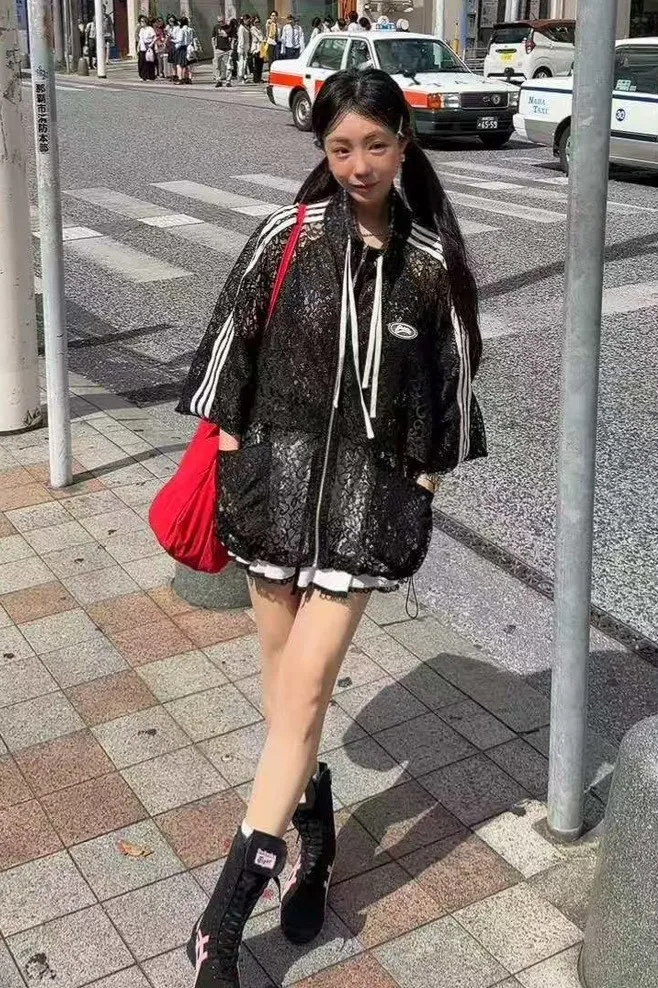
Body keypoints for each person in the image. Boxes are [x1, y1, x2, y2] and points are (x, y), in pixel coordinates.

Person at [177, 66, 485, 988]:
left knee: (304, 695)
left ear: (404, 145)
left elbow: (452, 385)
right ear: (323, 148)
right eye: (341, 147)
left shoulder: (427, 264)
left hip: (360, 514)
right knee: (288, 703)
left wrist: (419, 485)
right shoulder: (287, 236)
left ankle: (219, 927)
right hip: (271, 498)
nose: (358, 165)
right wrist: (235, 457)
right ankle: (315, 840)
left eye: (376, 145)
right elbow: (228, 351)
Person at [172, 15, 194, 84]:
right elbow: (192, 39)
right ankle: (188, 78)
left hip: (181, 48)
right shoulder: (191, 30)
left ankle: (180, 79)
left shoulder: (181, 30)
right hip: (189, 47)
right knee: (187, 64)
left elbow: (180, 40)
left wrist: (172, 40)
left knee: (179, 65)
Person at [212, 16, 231, 87]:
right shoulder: (216, 27)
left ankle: (228, 81)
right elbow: (213, 38)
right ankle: (218, 80)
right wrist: (214, 48)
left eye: (222, 21)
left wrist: (231, 49)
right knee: (217, 66)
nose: (220, 23)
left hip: (227, 49)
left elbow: (232, 37)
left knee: (228, 66)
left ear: (224, 20)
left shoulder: (229, 27)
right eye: (219, 21)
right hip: (218, 49)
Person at [137, 16, 156, 81]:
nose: (141, 23)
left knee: (148, 61)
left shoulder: (150, 29)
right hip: (142, 47)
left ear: (146, 22)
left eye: (142, 21)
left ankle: (149, 76)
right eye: (140, 21)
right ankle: (143, 75)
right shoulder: (141, 30)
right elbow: (140, 39)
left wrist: (151, 44)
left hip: (148, 46)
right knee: (141, 62)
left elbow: (154, 37)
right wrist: (138, 47)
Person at [250, 14, 265, 83]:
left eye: (258, 22)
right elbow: (259, 37)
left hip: (261, 47)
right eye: (256, 22)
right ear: (253, 22)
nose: (257, 23)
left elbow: (263, 36)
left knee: (261, 63)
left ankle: (259, 77)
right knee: (256, 64)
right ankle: (256, 78)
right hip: (256, 48)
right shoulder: (253, 28)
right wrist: (263, 39)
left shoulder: (260, 29)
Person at [236, 14, 251, 82]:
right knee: (242, 63)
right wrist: (242, 49)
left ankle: (244, 76)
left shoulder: (245, 27)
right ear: (244, 20)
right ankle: (241, 76)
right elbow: (241, 39)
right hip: (242, 47)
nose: (249, 21)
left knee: (245, 63)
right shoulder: (241, 28)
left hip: (246, 47)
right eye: (248, 20)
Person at [165, 15, 178, 80]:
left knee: (176, 61)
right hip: (170, 44)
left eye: (172, 21)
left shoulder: (177, 27)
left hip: (175, 44)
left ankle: (177, 74)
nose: (171, 22)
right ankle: (173, 74)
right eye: (170, 21)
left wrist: (171, 36)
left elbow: (177, 36)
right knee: (172, 61)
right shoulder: (168, 27)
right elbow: (167, 35)